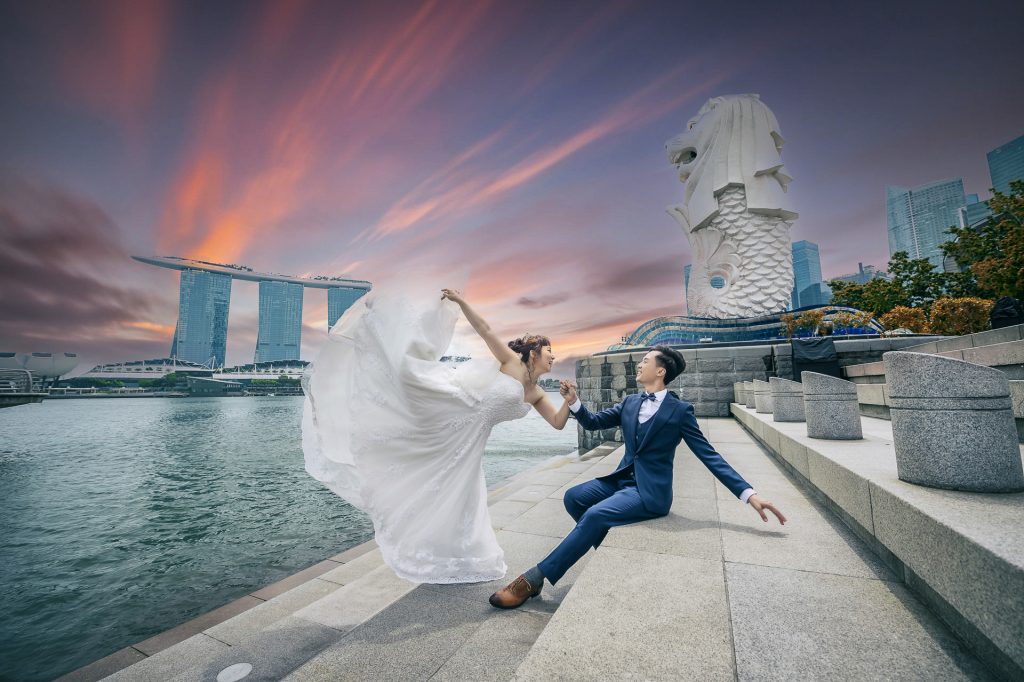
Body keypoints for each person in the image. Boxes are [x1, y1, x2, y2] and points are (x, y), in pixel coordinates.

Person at [301, 283, 575, 583]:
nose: (554, 357)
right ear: (533, 353)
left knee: (459, 494)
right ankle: (378, 336)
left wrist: (569, 403)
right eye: (550, 351)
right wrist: (459, 301)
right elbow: (484, 329)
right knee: (405, 380)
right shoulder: (510, 363)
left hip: (470, 440)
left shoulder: (535, 393)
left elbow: (558, 423)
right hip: (453, 405)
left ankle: (454, 558)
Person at [488, 345, 787, 608]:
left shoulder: (680, 411)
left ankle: (534, 579)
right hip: (622, 481)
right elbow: (592, 422)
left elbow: (709, 455)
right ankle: (608, 553)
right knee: (573, 497)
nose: (640, 365)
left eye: (646, 361)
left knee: (594, 516)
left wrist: (750, 495)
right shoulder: (631, 402)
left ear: (660, 371)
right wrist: (574, 401)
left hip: (650, 494)